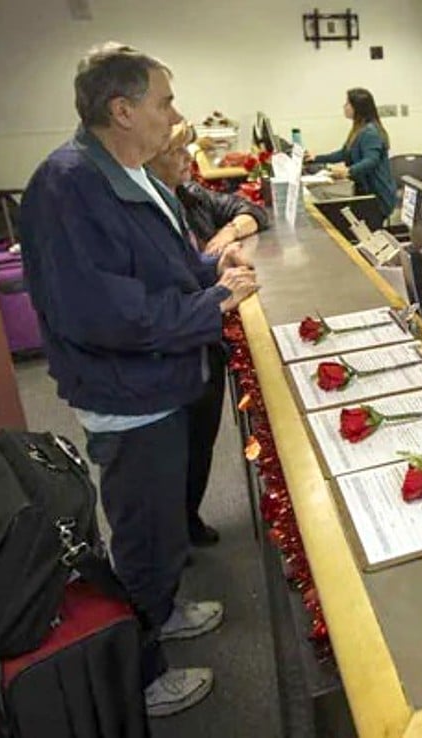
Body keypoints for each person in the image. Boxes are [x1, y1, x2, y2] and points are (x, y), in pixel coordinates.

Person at [20, 42, 259, 717]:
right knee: (143, 535)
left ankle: (164, 610)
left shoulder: (124, 172)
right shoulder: (67, 186)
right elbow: (105, 313)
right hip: (129, 398)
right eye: (163, 102)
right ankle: (145, 677)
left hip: (159, 384)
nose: (174, 116)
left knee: (158, 525)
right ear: (122, 110)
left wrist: (211, 272)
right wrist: (212, 303)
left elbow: (161, 267)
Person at [147, 122, 269, 546]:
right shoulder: (145, 212)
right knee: (171, 458)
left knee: (201, 443)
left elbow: (250, 209)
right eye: (179, 153)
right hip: (179, 341)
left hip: (204, 338)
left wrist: (229, 232)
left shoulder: (188, 194)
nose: (189, 162)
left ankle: (188, 520)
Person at [306, 87, 396, 229]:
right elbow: (344, 153)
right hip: (365, 192)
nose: (344, 106)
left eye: (347, 103)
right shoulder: (359, 129)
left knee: (369, 232)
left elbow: (371, 160)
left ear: (357, 107)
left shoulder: (370, 132)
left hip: (377, 196)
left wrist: (348, 171)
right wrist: (316, 158)